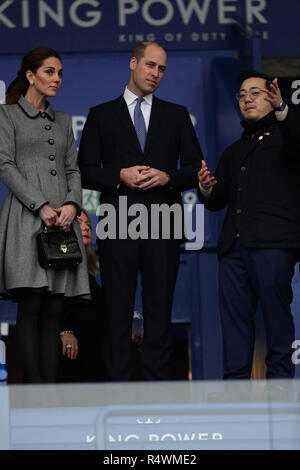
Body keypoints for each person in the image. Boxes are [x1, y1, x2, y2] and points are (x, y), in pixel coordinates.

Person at [78, 41, 203, 381]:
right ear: (133, 63)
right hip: (119, 225)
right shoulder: (101, 114)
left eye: (162, 68)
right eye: (150, 65)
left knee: (159, 317)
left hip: (163, 225)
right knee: (117, 316)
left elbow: (195, 168)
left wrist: (167, 176)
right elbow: (85, 170)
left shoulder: (176, 114)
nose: (155, 74)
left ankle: (157, 397)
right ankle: (118, 395)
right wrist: (118, 175)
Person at [198, 70, 300, 379]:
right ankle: (235, 393)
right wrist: (205, 188)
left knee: (276, 320)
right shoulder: (234, 150)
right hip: (234, 249)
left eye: (254, 93)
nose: (247, 99)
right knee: (235, 326)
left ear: (271, 96)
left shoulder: (288, 134)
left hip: (273, 244)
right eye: (242, 95)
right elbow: (218, 199)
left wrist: (284, 110)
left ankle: (280, 389)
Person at [0, 47, 90, 383]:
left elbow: (73, 169)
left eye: (60, 73)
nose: (57, 79)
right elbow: (4, 165)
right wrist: (41, 205)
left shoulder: (64, 121)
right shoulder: (6, 116)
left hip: (62, 222)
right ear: (30, 76)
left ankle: (50, 393)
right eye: (50, 72)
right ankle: (33, 393)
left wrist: (72, 205)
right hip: (26, 219)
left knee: (55, 305)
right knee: (32, 304)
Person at [58, 208, 103, 382]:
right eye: (79, 223)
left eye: (89, 225)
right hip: (69, 353)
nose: (85, 228)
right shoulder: (60, 261)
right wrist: (65, 331)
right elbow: (54, 301)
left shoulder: (89, 269)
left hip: (90, 352)